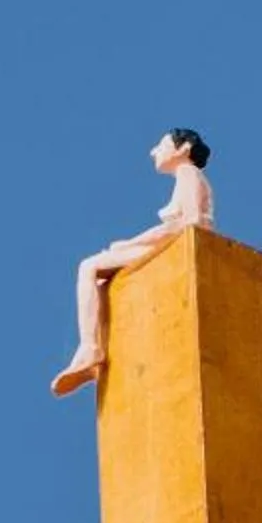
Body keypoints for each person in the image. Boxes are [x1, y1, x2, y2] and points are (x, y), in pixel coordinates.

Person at [49, 128, 214, 396]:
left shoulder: (188, 174)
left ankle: (90, 349)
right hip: (168, 244)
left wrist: (135, 245)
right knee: (102, 283)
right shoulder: (186, 176)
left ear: (183, 149)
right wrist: (131, 244)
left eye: (161, 145)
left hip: (173, 248)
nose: (154, 151)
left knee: (89, 267)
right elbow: (175, 225)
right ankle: (93, 349)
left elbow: (191, 223)